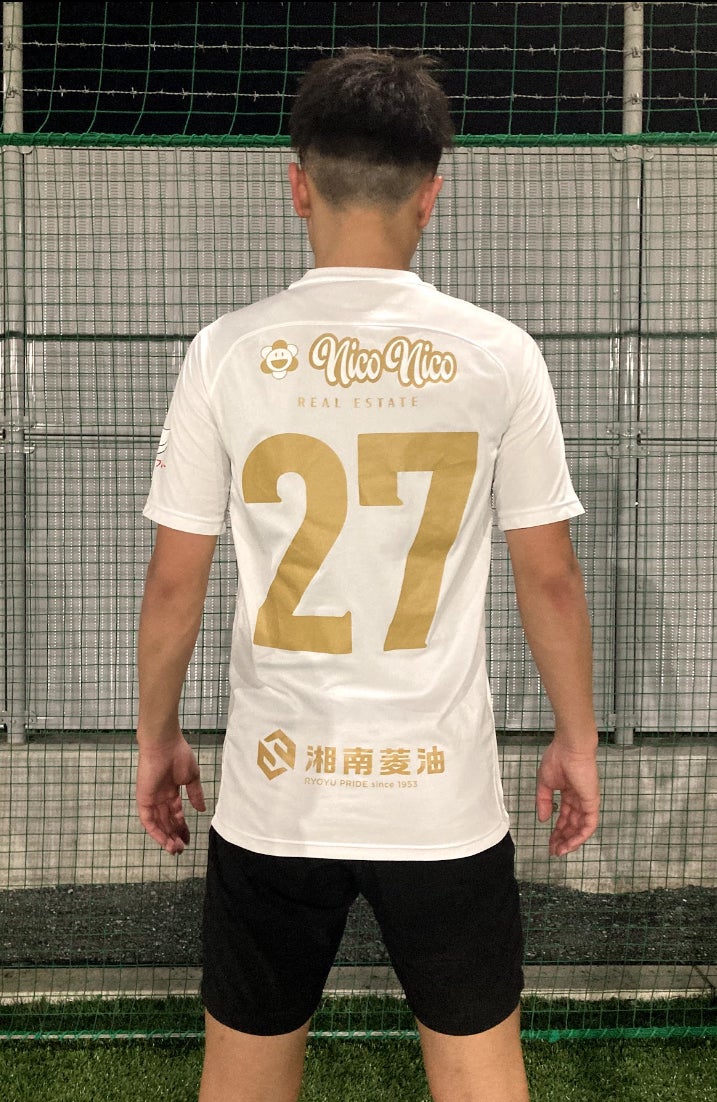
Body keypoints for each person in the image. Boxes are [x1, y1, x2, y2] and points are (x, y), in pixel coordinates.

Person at [136, 49, 600, 1102]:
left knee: (242, 1082)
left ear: (296, 184)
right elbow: (551, 578)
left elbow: (173, 585)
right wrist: (576, 740)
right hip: (441, 798)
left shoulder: (226, 352)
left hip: (275, 791)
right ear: (432, 193)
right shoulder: (499, 354)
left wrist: (156, 739)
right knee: (482, 1077)